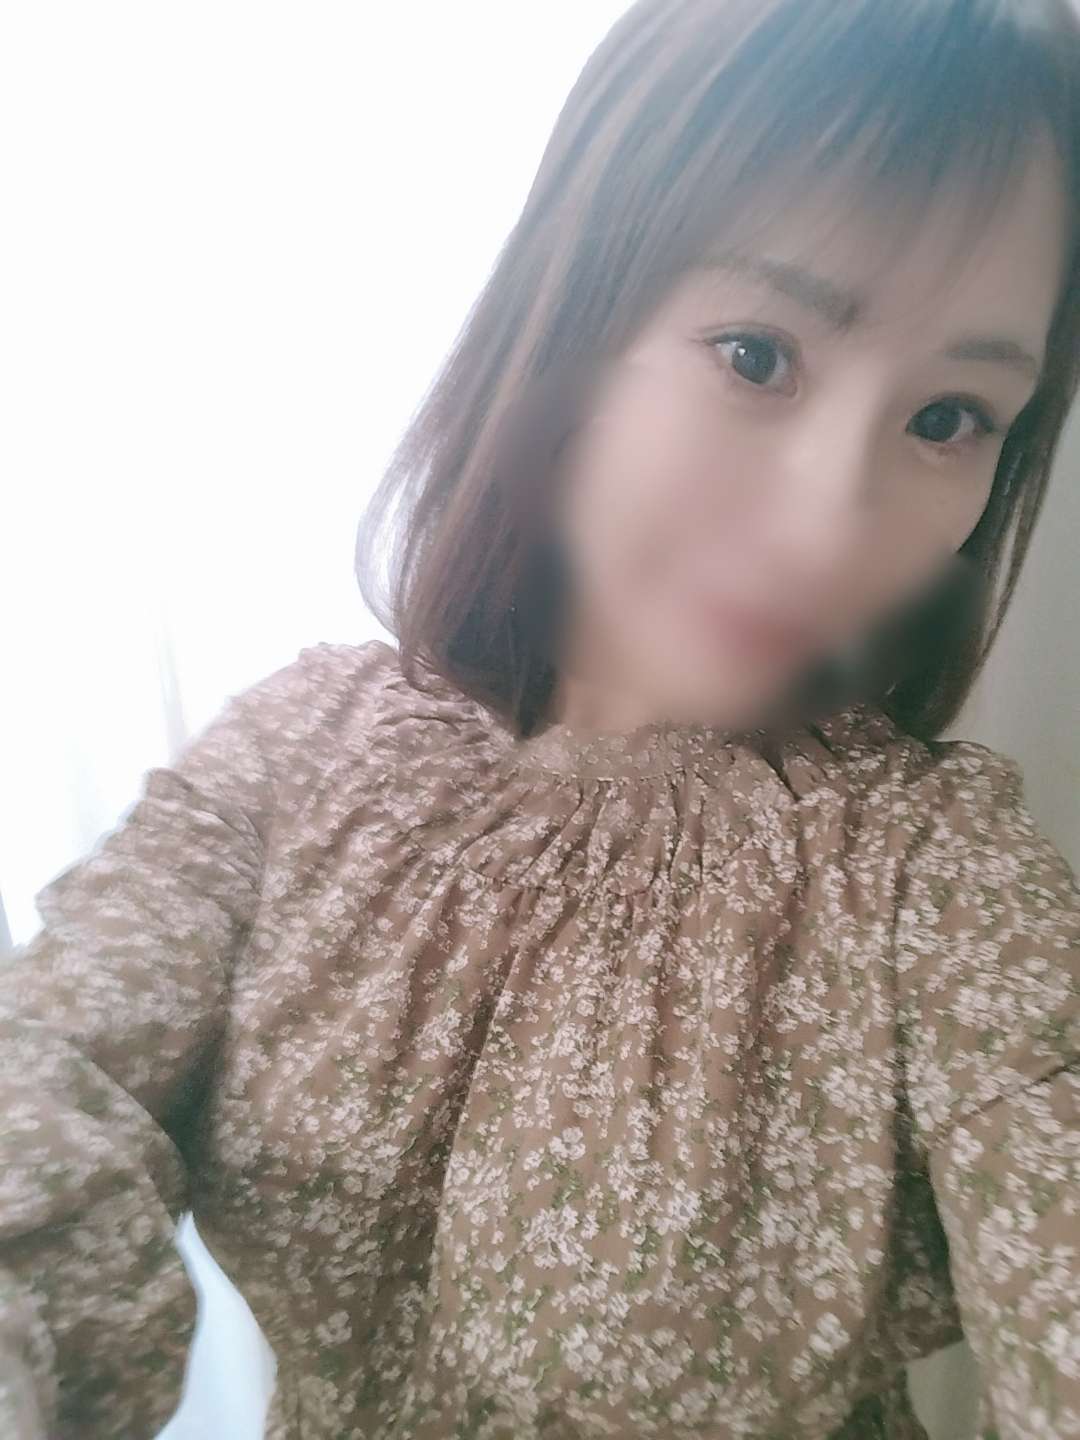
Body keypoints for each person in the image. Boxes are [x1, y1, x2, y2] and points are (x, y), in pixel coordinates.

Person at [3, 1, 1079, 1436]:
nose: (834, 522)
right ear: (570, 324)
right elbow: (50, 1076)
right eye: (756, 355)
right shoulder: (300, 753)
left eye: (949, 418)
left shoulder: (931, 874)